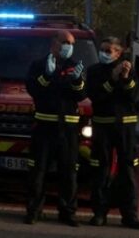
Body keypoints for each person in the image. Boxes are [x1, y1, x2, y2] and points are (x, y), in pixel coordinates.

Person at [24, 30, 86, 227]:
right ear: (54, 42)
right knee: (38, 172)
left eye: (72, 43)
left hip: (68, 130)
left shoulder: (75, 66)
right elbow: (34, 89)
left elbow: (81, 95)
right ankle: (33, 211)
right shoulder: (38, 65)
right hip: (44, 128)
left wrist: (77, 81)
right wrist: (47, 75)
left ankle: (68, 213)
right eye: (65, 42)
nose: (69, 46)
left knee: (69, 173)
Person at [86, 37, 139, 229]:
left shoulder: (131, 70)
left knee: (128, 170)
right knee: (100, 169)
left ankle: (130, 215)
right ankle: (99, 213)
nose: (105, 53)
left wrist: (126, 78)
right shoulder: (94, 71)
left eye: (110, 50)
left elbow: (135, 97)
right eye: (103, 49)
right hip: (103, 127)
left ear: (119, 54)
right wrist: (112, 79)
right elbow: (95, 96)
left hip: (125, 129)